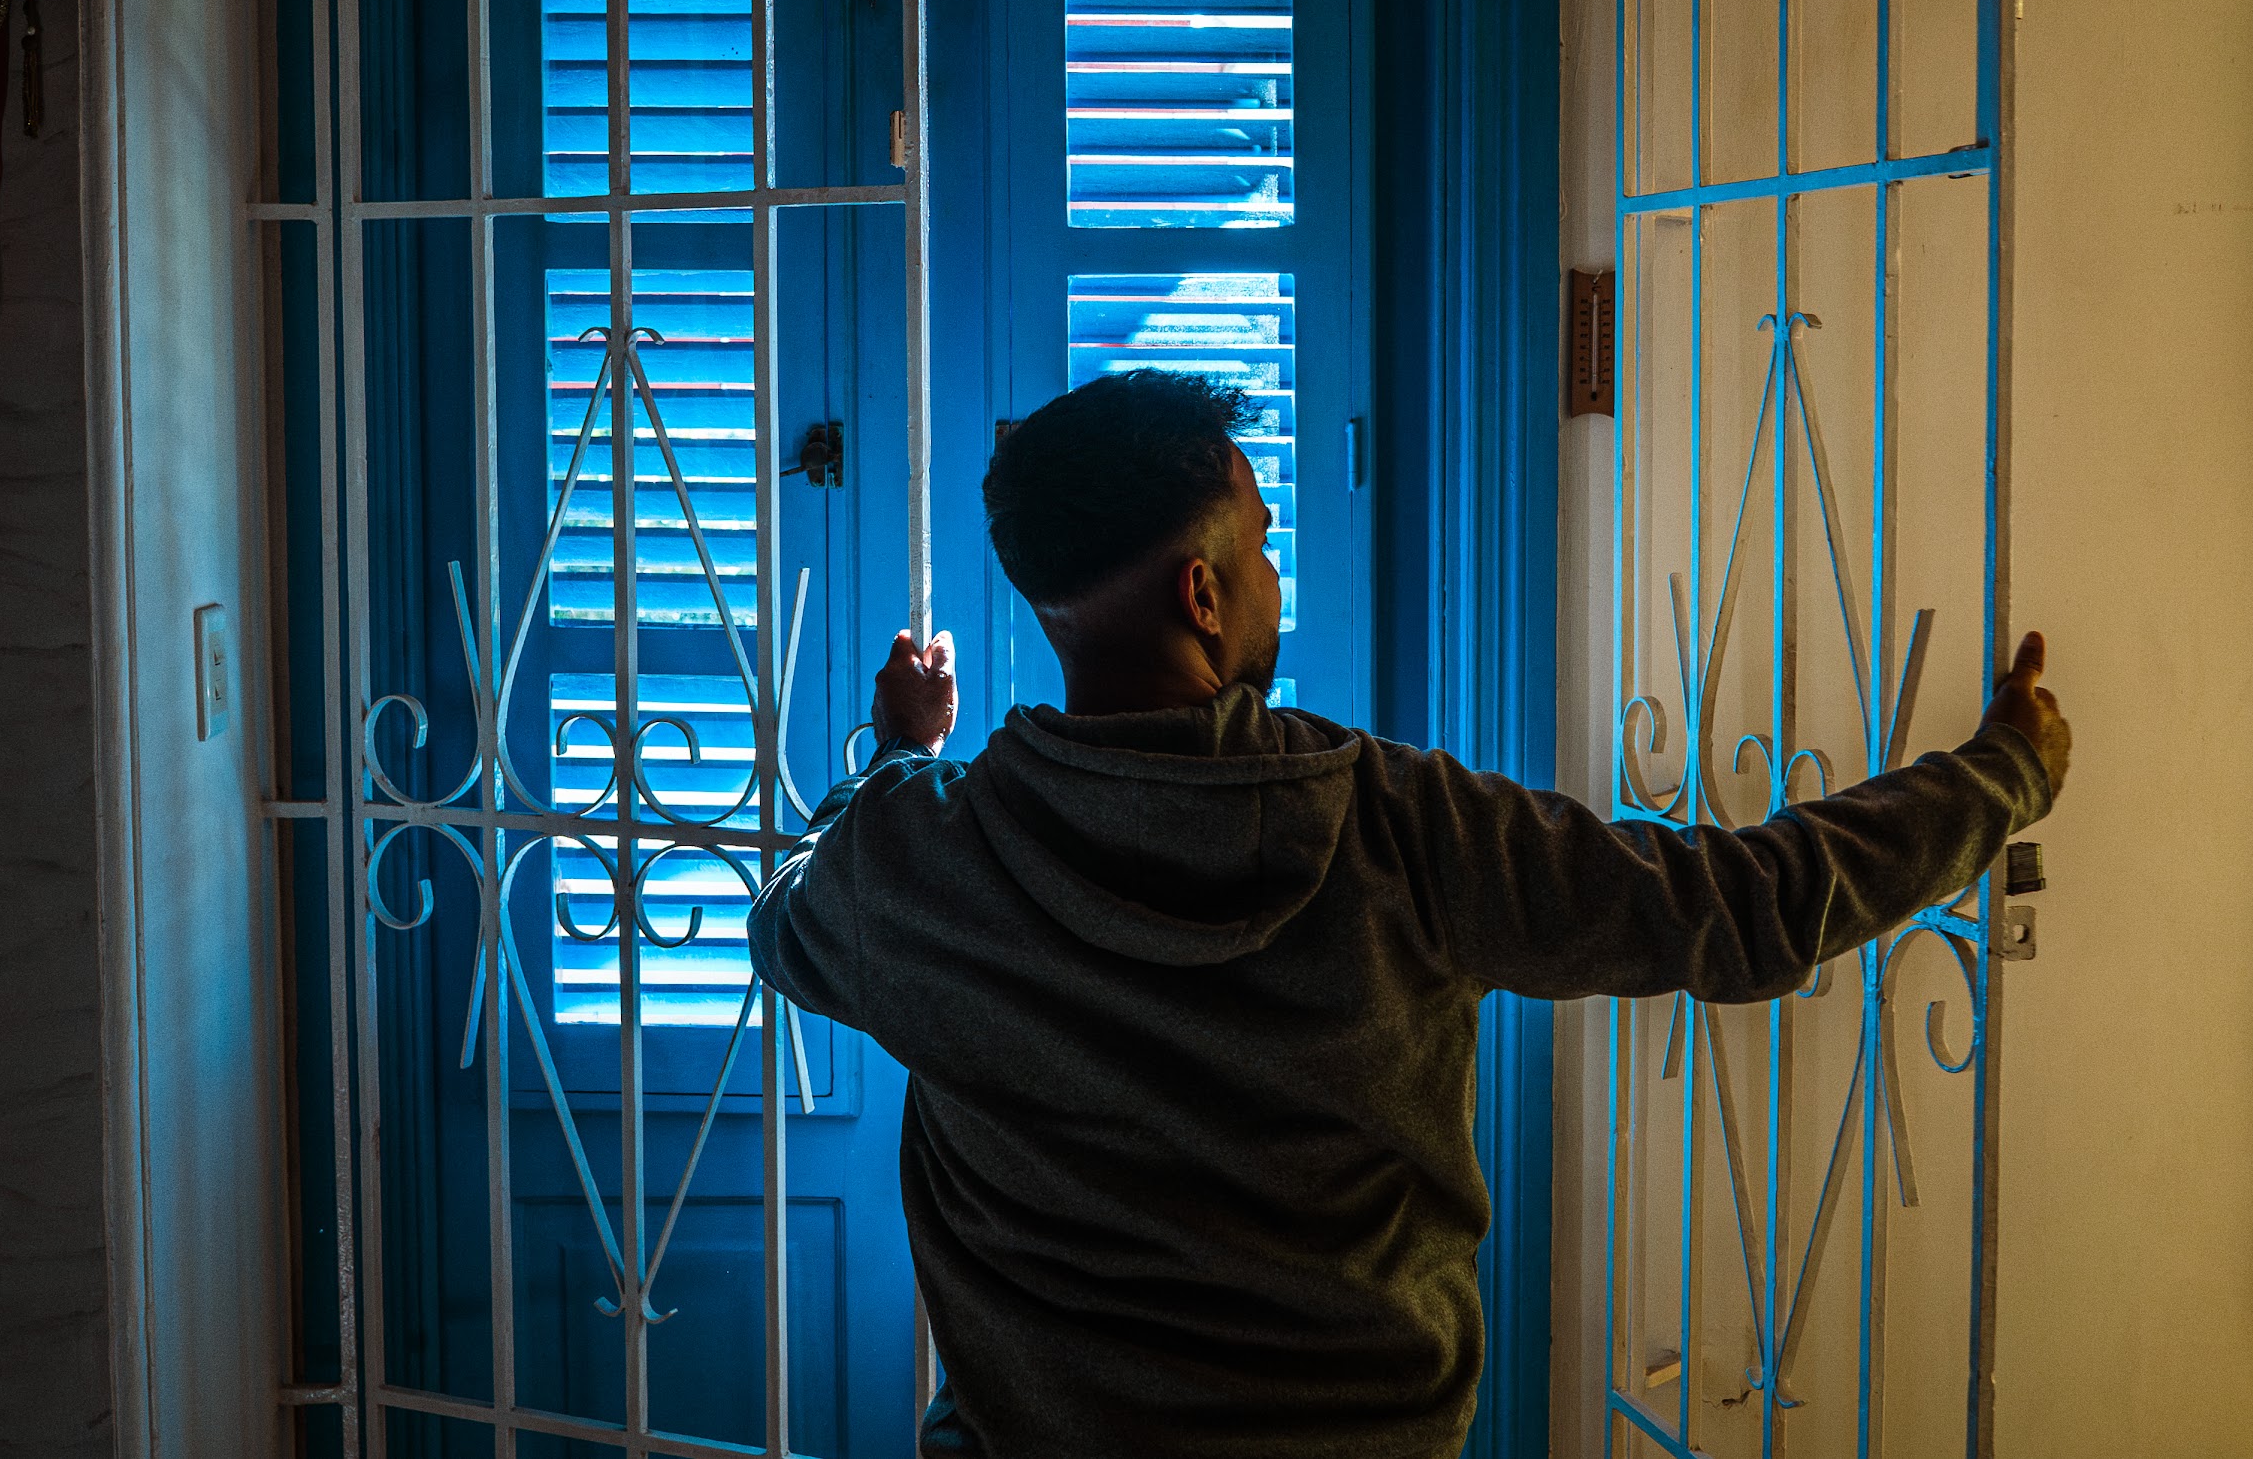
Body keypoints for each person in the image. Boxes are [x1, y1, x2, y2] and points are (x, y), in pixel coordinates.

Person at [749, 370, 2070, 1459]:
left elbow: (785, 922)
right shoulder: (1398, 827)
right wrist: (2003, 770)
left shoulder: (914, 862)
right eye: (1261, 539)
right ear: (1201, 593)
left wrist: (894, 758)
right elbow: (1745, 909)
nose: (1272, 570)